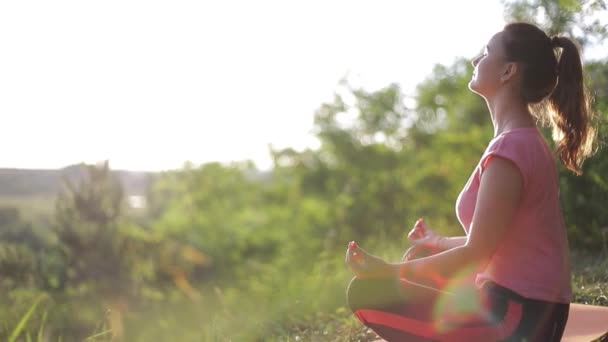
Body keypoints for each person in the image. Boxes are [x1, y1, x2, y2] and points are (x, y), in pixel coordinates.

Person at [345, 22, 597, 341]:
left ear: (508, 72)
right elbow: (495, 242)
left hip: (519, 321)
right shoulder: (520, 141)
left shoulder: (512, 148)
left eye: (486, 52)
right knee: (421, 257)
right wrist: (437, 242)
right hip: (527, 312)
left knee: (368, 292)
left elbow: (477, 253)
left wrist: (388, 271)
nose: (475, 60)